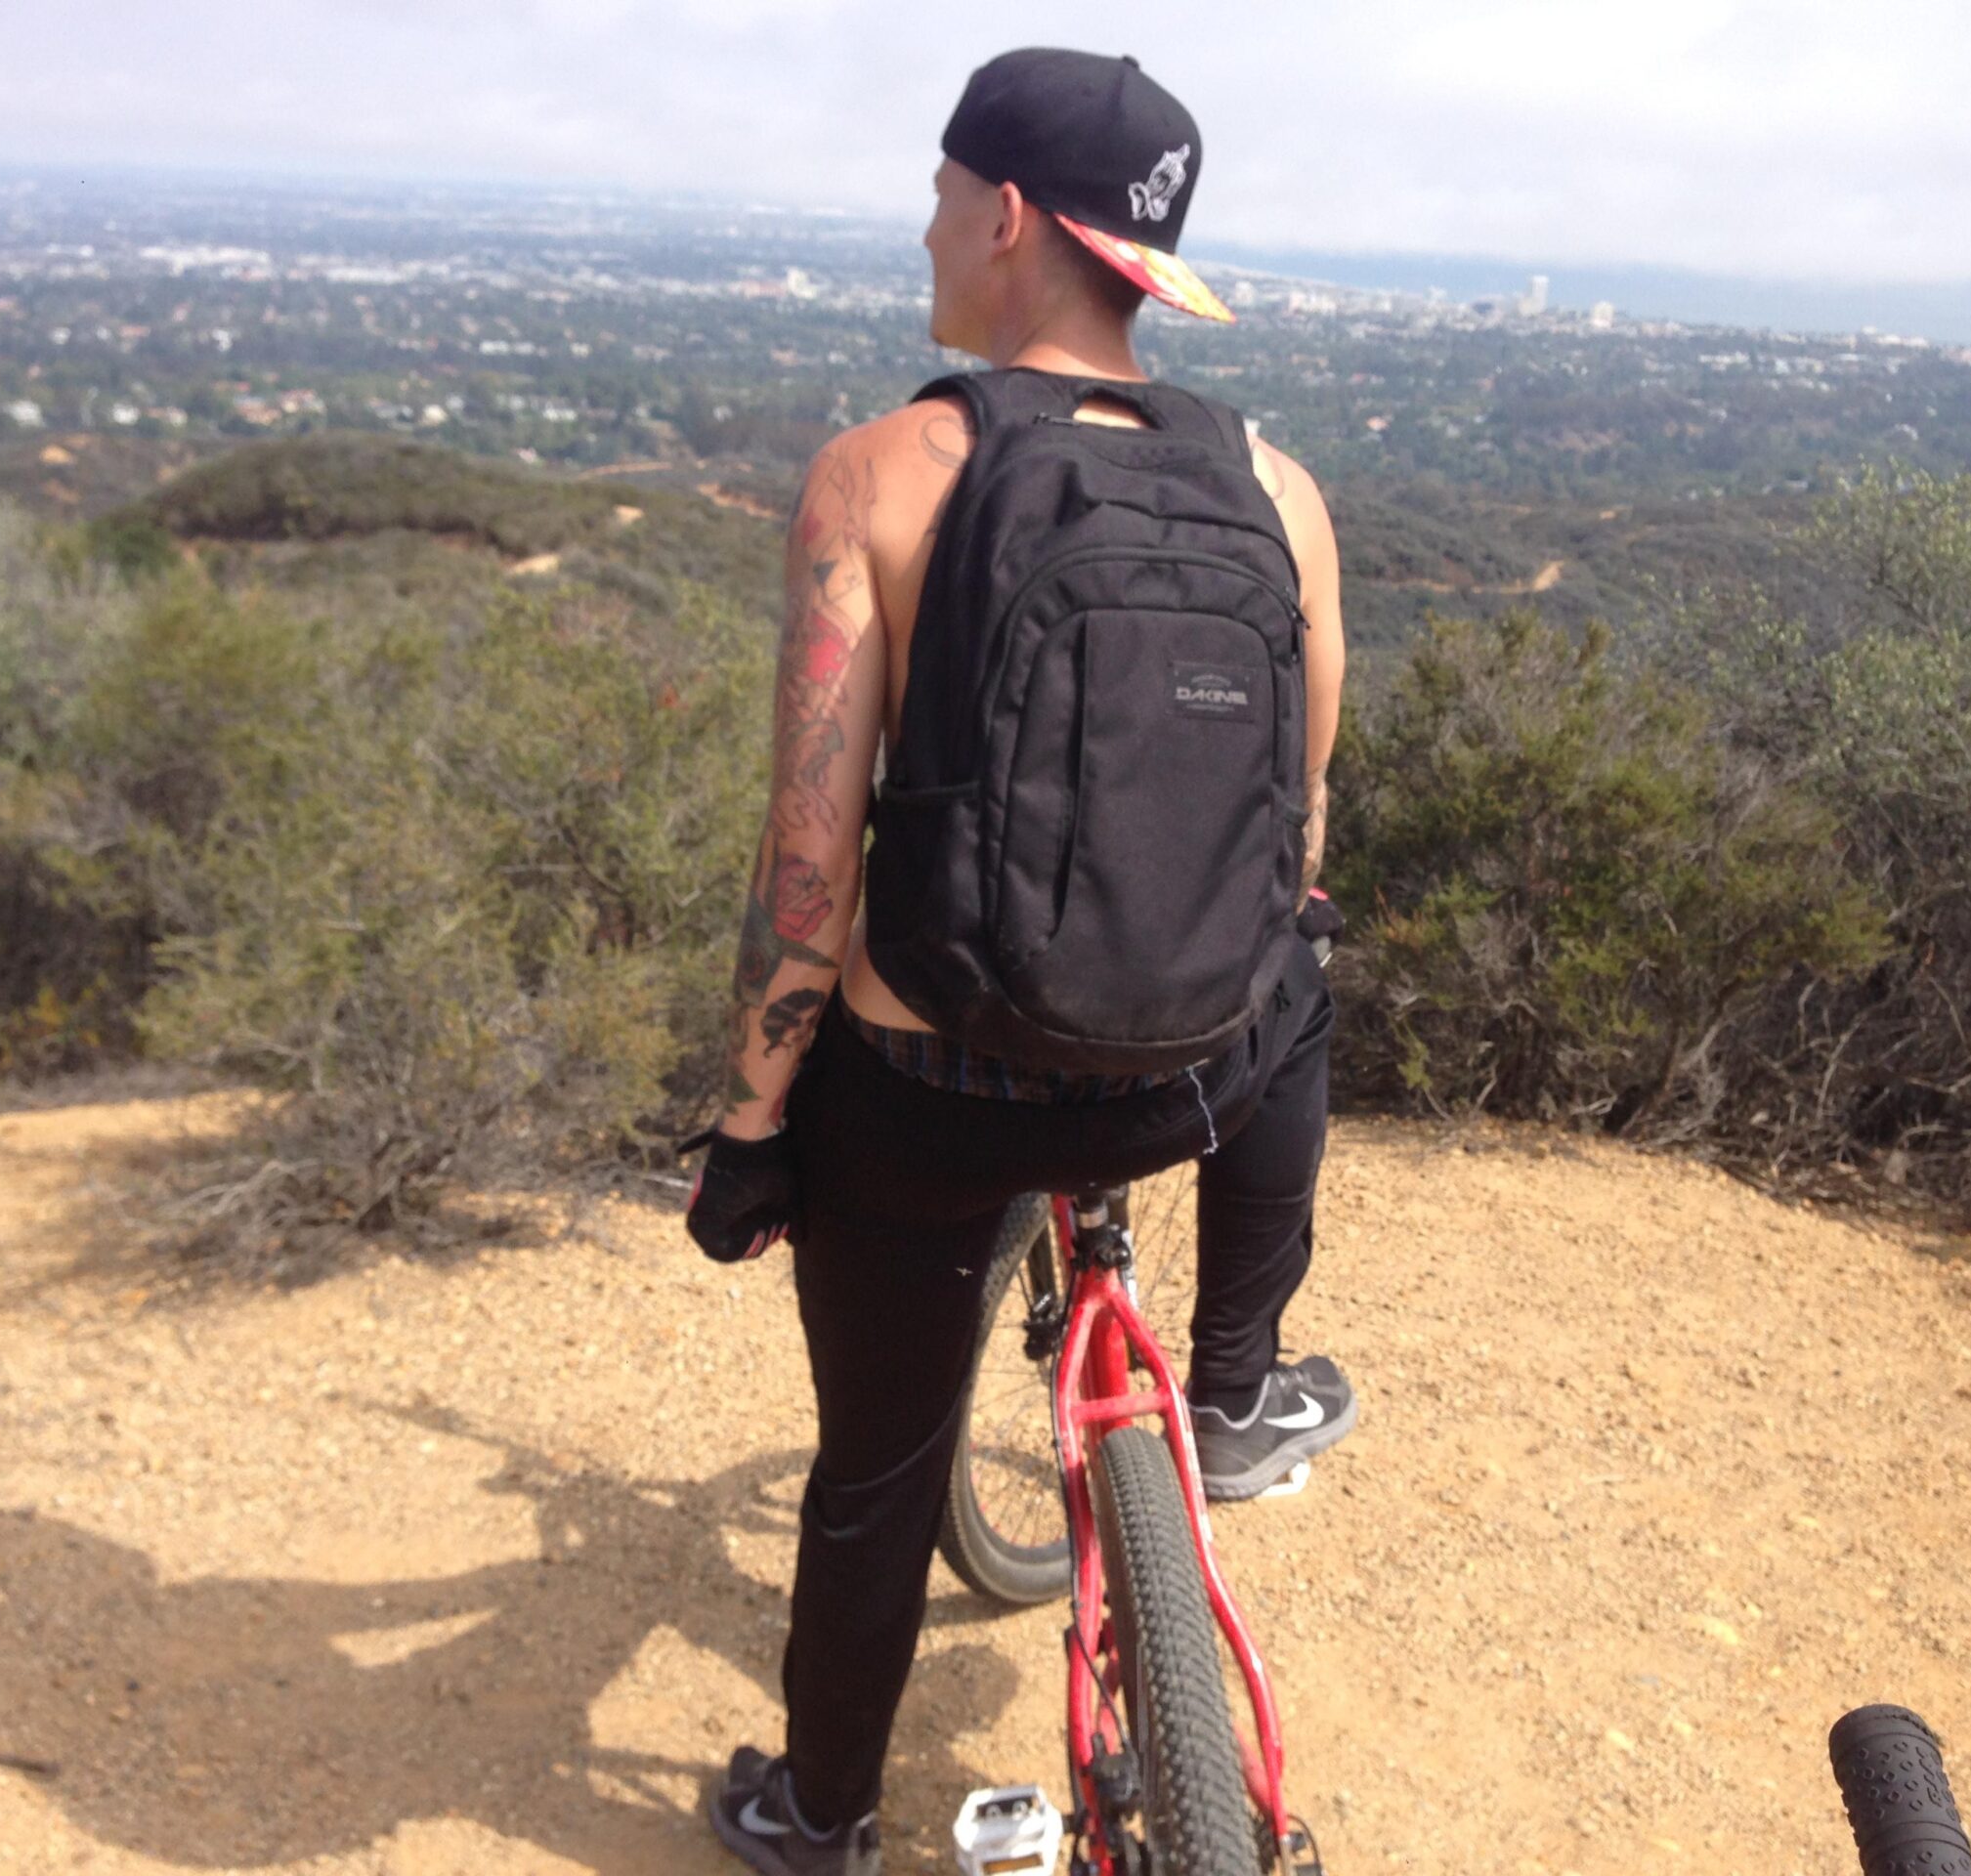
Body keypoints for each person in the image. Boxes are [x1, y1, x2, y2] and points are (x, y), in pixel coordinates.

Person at [681, 47, 1352, 1876]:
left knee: (881, 1469)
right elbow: (1291, 837)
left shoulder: (884, 472)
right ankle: (1232, 1385)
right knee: (1308, 963)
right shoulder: (1278, 493)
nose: (923, 230)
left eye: (936, 196)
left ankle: (821, 1814)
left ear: (1000, 220)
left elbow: (810, 868)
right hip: (1191, 1078)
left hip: (934, 1100)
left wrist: (752, 1127)